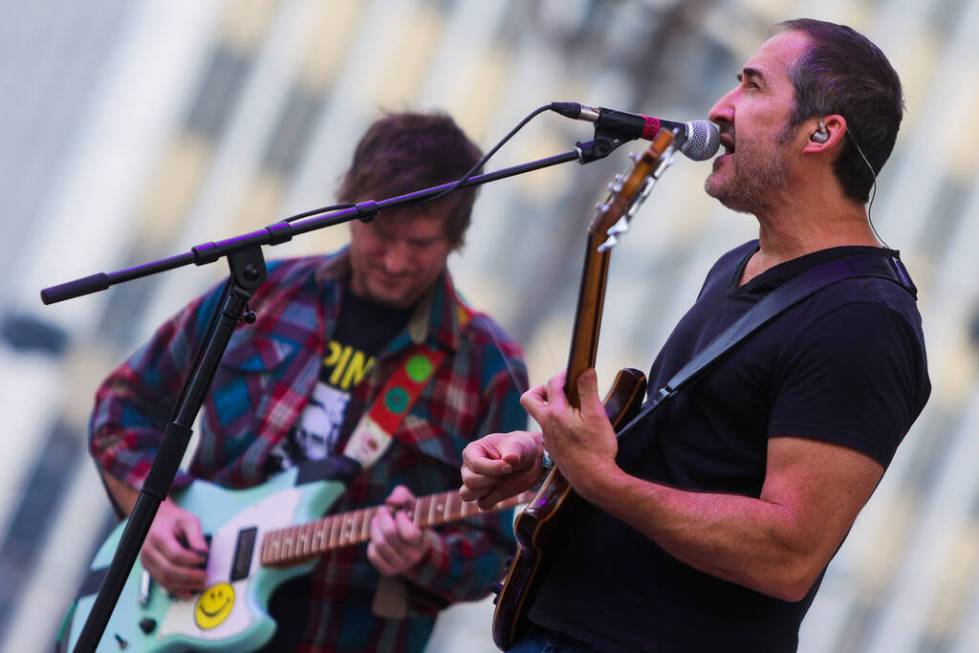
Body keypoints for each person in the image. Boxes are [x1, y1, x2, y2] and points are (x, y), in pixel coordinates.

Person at [460, 18, 930, 653]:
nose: (720, 108)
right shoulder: (741, 264)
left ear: (823, 132)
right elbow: (687, 462)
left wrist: (604, 480)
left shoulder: (865, 322)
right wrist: (551, 459)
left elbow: (787, 554)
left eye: (753, 86)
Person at [89, 111, 528, 652]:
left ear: (454, 238)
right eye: (382, 235)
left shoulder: (488, 365)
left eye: (418, 243)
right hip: (177, 617)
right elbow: (123, 404)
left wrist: (425, 557)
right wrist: (151, 513)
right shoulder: (263, 295)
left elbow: (496, 547)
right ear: (349, 212)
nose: (394, 261)